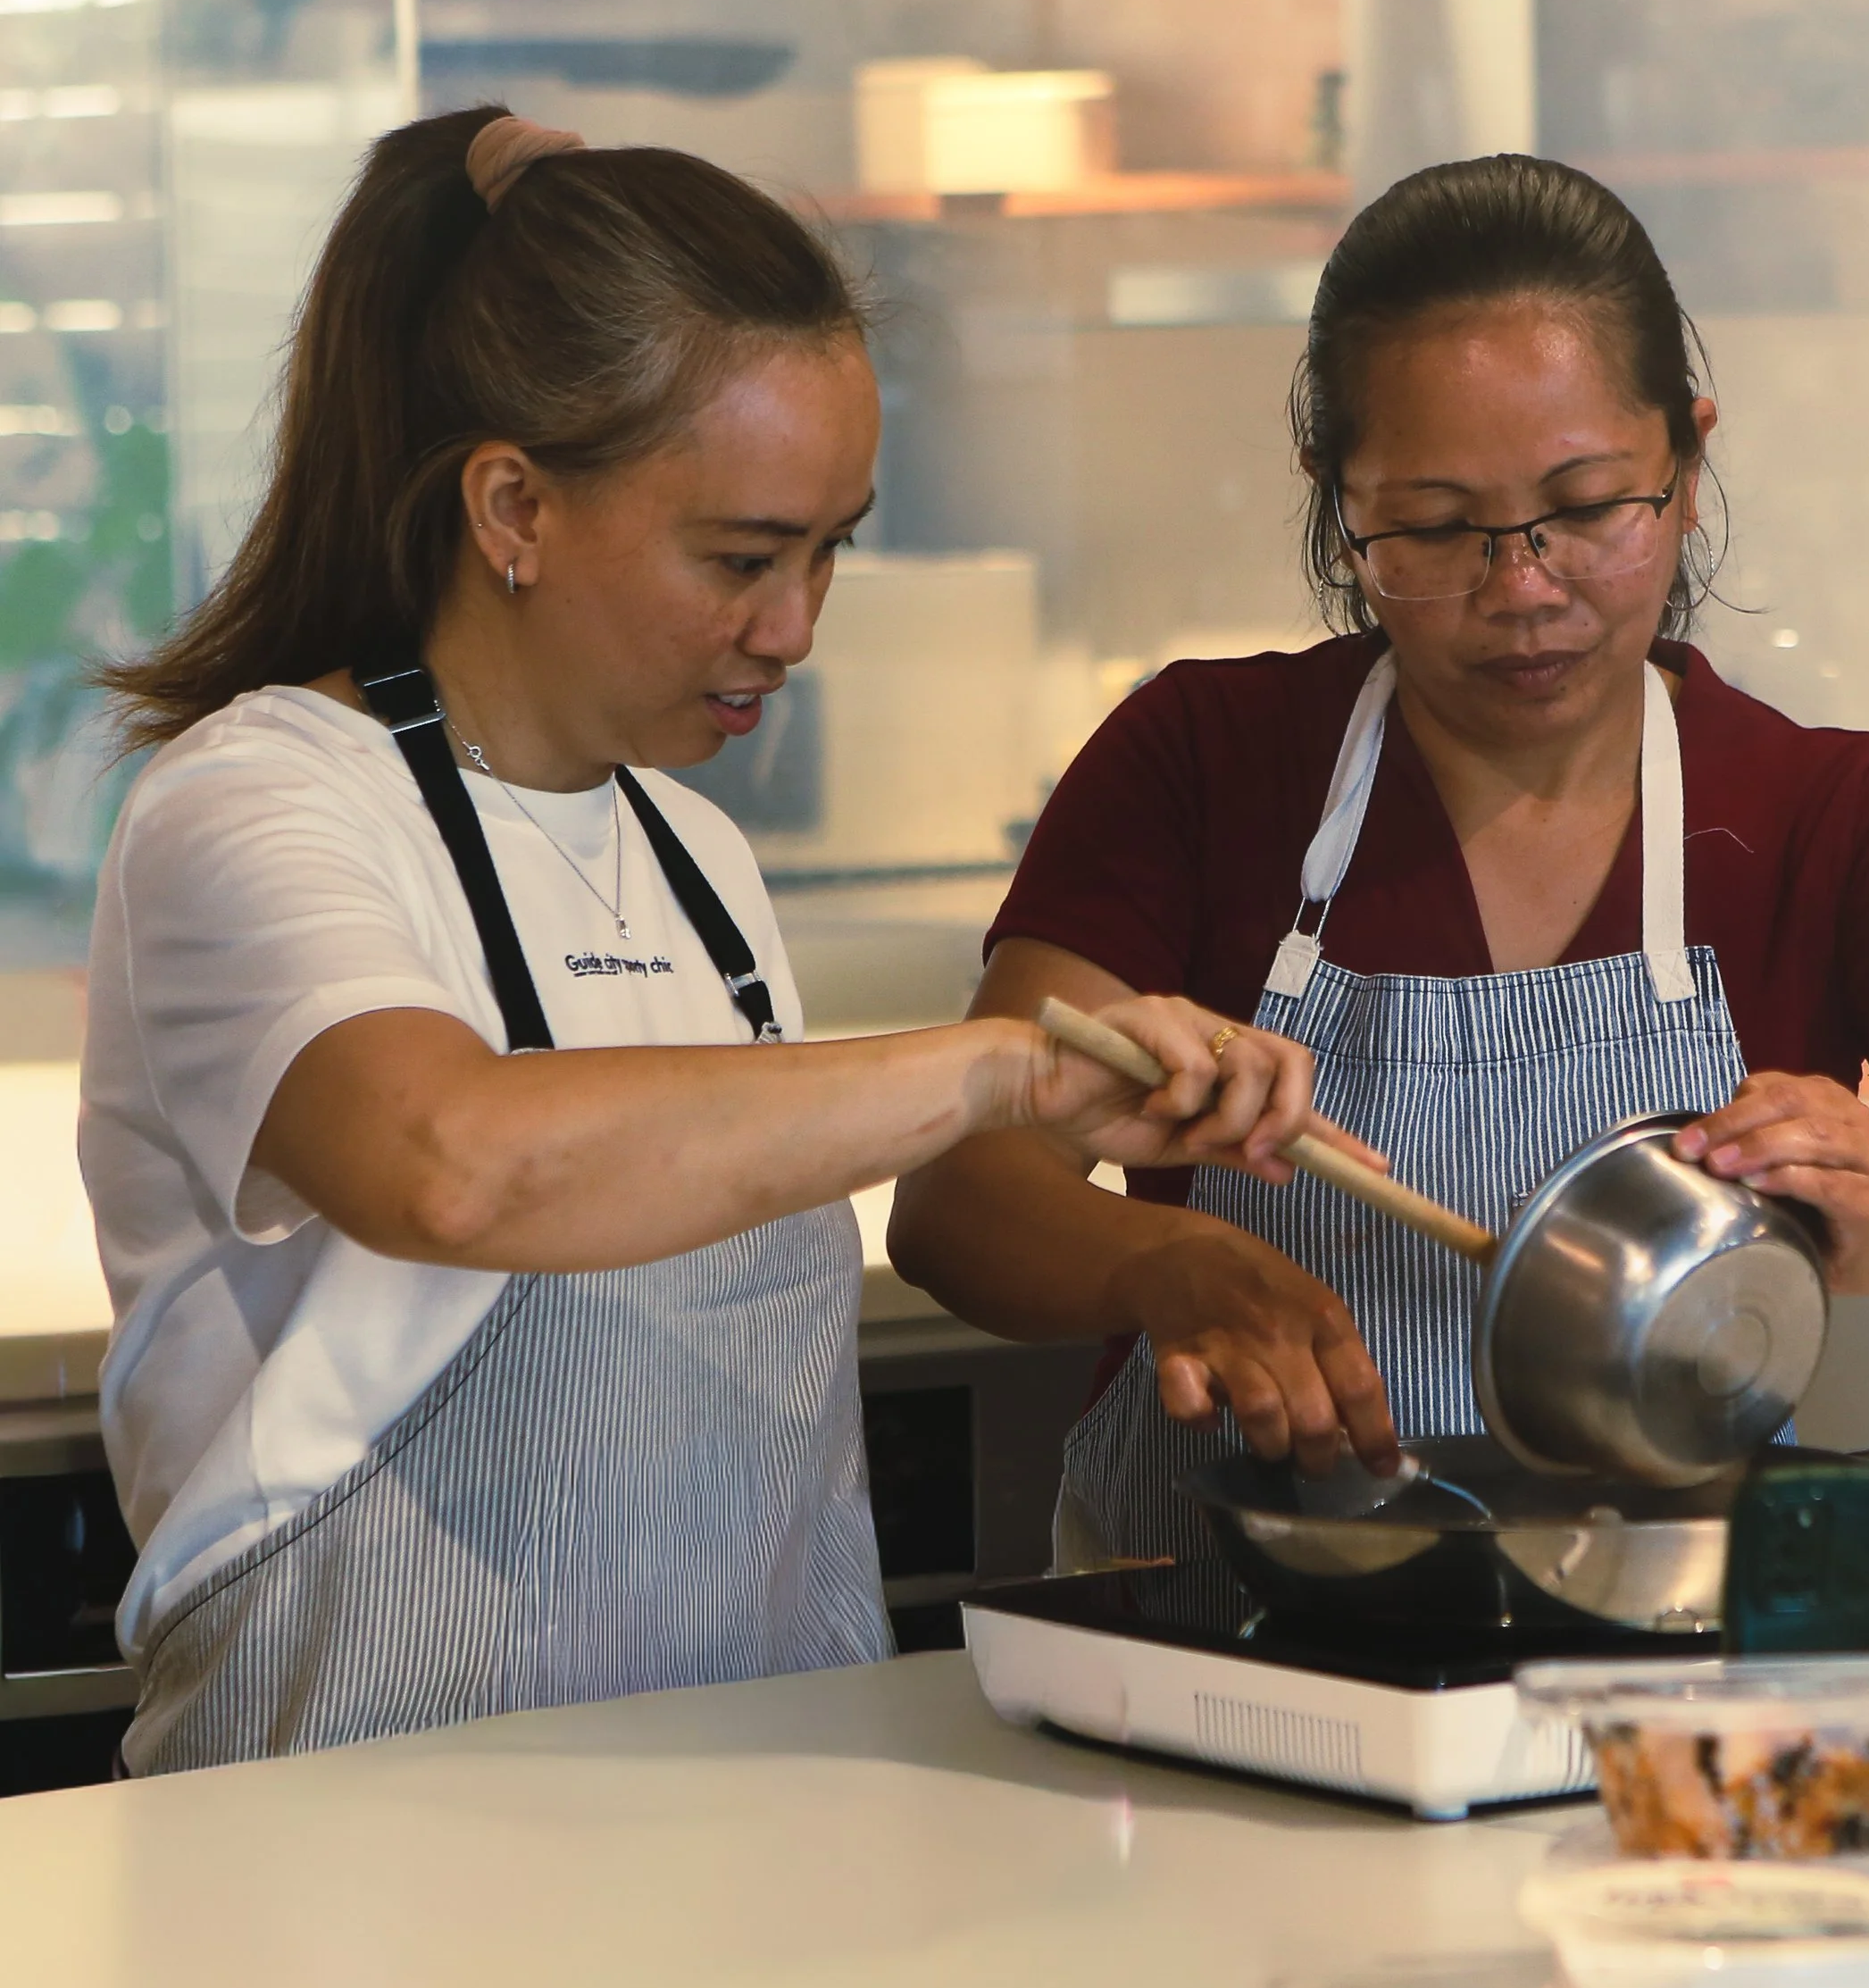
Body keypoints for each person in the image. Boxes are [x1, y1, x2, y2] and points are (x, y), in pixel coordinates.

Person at [84, 107, 1335, 1773]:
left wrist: (1020, 1099)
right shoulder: (257, 806)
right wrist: (994, 1074)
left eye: (831, 549)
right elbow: (456, 1165)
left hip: (745, 1826)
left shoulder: (697, 858)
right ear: (513, 506)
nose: (797, 626)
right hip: (357, 1858)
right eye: (743, 556)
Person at [888, 154, 1869, 1568]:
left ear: (1687, 467)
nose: (1523, 588)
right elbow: (960, 1196)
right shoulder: (1204, 763)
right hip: (1221, 1648)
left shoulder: (1828, 810)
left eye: (1585, 509)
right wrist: (1157, 1267)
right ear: (1343, 504)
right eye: (1441, 527)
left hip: (1651, 1653)